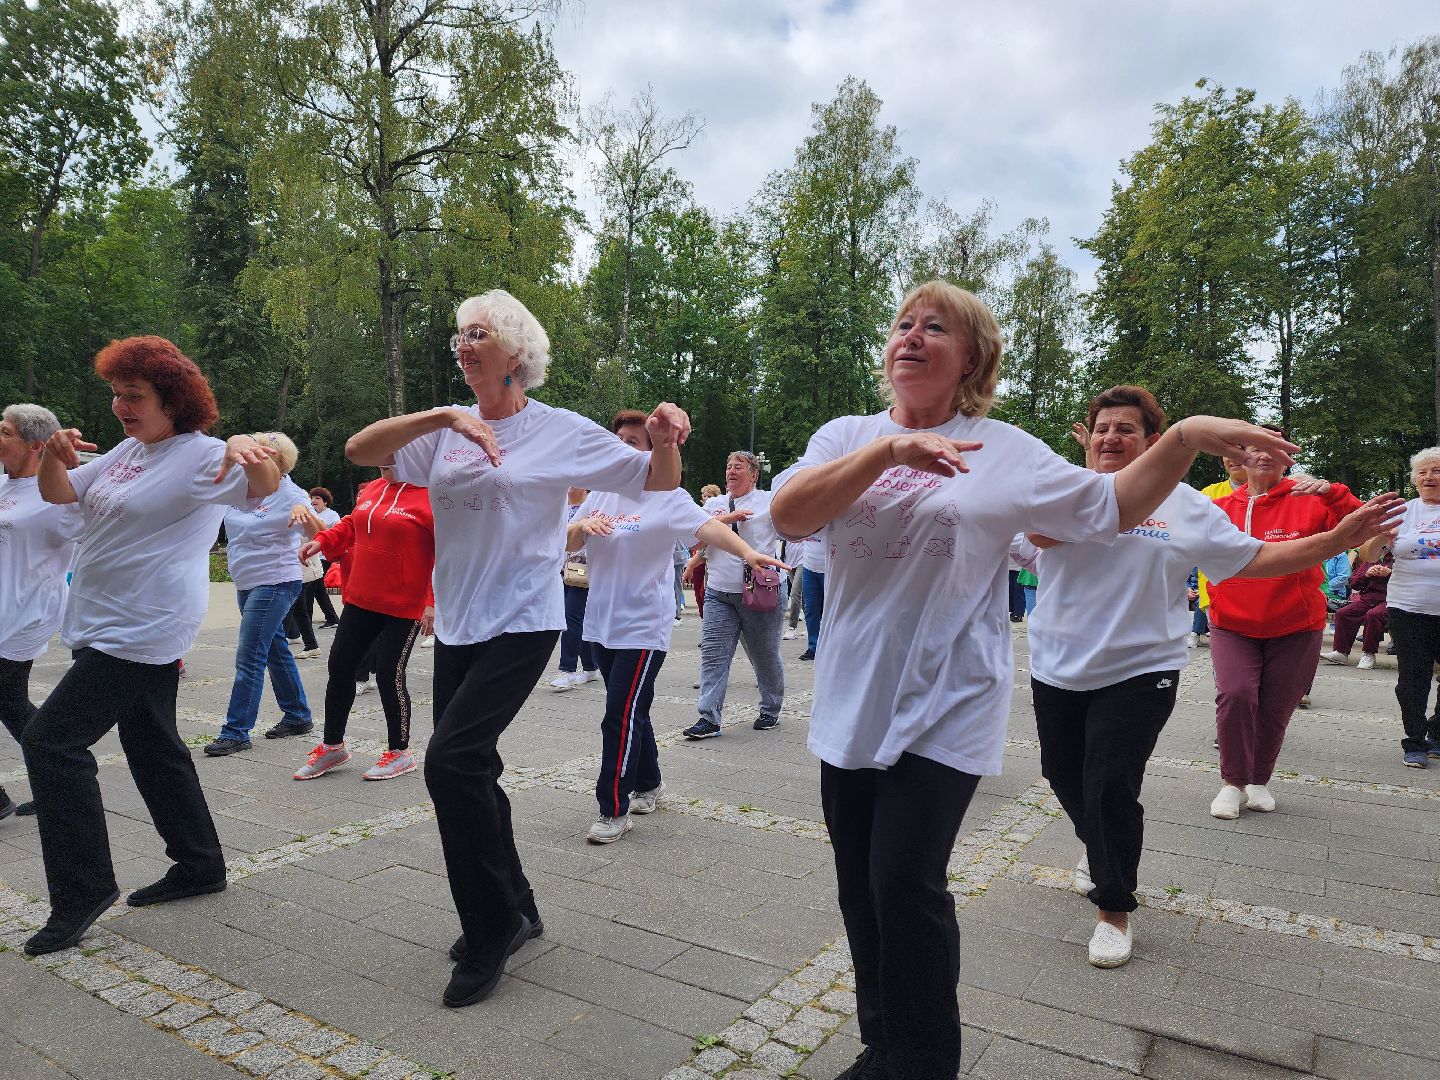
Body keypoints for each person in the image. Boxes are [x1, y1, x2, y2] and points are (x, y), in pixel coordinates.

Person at [767, 280, 1299, 1080]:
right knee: (858, 887)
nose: (910, 336)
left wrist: (1184, 433)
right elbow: (790, 515)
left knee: (905, 883)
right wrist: (887, 452)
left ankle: (919, 1062)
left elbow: (1114, 503)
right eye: (903, 324)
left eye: (934, 327)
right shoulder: (845, 433)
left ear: (972, 356)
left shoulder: (1006, 449)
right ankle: (881, 1040)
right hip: (852, 695)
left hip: (948, 699)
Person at [346, 288, 690, 1008]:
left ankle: (491, 925)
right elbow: (360, 450)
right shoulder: (443, 431)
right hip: (462, 620)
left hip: (527, 618)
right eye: (459, 336)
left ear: (515, 352)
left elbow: (655, 483)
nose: (465, 345)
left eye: (479, 334)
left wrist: (664, 441)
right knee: (475, 769)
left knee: (450, 763)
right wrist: (444, 415)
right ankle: (521, 907)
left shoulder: (558, 429)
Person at [1014, 386, 1399, 970]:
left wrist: (1335, 541)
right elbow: (1030, 540)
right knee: (1061, 773)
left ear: (1152, 442)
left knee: (1111, 784)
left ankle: (1114, 908)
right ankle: (1099, 848)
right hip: (1057, 664)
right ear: (1086, 437)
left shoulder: (1188, 505)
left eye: (1127, 429)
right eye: (1102, 428)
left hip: (1142, 669)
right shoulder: (1062, 492)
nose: (1112, 437)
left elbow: (1255, 560)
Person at [23, 336, 281, 956]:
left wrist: (254, 453)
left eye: (133, 396)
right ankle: (200, 864)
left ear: (174, 401)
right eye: (116, 393)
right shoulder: (127, 453)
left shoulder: (202, 456)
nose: (119, 405)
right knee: (153, 747)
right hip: (103, 621)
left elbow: (265, 486)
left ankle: (82, 889)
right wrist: (55, 454)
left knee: (51, 740)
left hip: (141, 628)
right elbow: (59, 493)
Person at [568, 411, 789, 844]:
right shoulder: (601, 495)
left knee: (619, 715)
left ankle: (612, 808)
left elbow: (708, 528)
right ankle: (649, 783)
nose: (624, 449)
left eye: (635, 442)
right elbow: (567, 541)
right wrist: (579, 526)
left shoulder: (667, 496)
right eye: (620, 441)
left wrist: (748, 553)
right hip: (601, 624)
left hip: (642, 628)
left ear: (652, 451)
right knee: (633, 710)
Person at [1205, 429, 1362, 818]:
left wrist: (1333, 492)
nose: (1266, 455)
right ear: (1239, 456)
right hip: (1232, 622)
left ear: (1289, 458)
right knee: (1237, 694)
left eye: (1278, 449)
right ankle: (1232, 782)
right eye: (1257, 447)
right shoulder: (1218, 505)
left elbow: (1362, 527)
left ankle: (1258, 780)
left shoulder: (1309, 502)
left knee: (1277, 706)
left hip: (1296, 623)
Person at [290, 465, 434, 780]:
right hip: (361, 597)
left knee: (388, 674)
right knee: (340, 666)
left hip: (405, 604)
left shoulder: (433, 493)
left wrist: (432, 602)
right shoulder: (373, 488)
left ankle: (400, 752)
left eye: (392, 454)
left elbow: (446, 551)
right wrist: (323, 541)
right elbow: (353, 524)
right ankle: (332, 747)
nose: (385, 461)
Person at [205, 432, 316, 756]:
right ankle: (297, 715)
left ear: (277, 462)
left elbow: (322, 534)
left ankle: (236, 731)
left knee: (250, 653)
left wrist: (305, 514)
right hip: (246, 582)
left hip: (276, 581)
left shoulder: (293, 494)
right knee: (274, 650)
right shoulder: (241, 488)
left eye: (260, 454)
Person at [0, 404, 85, 819]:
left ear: (37, 445)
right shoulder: (3, 485)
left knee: (9, 699)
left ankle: (59, 776)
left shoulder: (57, 494)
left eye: (5, 432)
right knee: (10, 702)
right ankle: (51, 778)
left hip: (27, 610)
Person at [682, 451, 786, 739]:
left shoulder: (768, 501)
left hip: (759, 592)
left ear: (753, 474)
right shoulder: (714, 504)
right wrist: (726, 519)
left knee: (764, 655)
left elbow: (791, 530)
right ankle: (709, 718)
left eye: (738, 467)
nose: (731, 471)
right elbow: (696, 537)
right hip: (719, 593)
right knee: (713, 657)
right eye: (728, 466)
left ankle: (771, 708)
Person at [1357, 447, 1440, 767]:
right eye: (1423, 472)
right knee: (1413, 678)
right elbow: (1367, 555)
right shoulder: (1403, 512)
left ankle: (1438, 731)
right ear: (1414, 479)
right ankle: (1415, 740)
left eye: (1436, 471)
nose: (1430, 477)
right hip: (1409, 609)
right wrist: (1380, 535)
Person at [1189, 457, 1248, 646]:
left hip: (1267, 595)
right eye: (1226, 450)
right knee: (1230, 669)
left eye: (1241, 449)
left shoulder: (1272, 493)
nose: (1233, 456)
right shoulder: (1208, 495)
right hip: (1217, 596)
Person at [550, 487, 601, 691]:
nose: (569, 488)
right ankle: (590, 667)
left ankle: (568, 669)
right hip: (560, 571)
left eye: (575, 483)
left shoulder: (594, 505)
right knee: (575, 618)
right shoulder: (560, 506)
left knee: (571, 618)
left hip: (583, 571)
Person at [1321, 554, 1389, 670]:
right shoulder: (1370, 558)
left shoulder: (1399, 559)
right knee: (1343, 613)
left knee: (1373, 615)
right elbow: (1353, 582)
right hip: (1366, 599)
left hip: (1389, 600)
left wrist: (1389, 573)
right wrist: (1366, 574)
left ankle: (1369, 653)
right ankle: (1341, 652)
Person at [302, 487, 342, 627]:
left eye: (317, 498)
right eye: (312, 498)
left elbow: (336, 532)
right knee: (319, 591)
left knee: (310, 589)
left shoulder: (332, 515)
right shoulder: (312, 513)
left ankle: (306, 620)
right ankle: (332, 619)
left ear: (325, 502)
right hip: (314, 557)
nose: (314, 500)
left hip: (324, 557)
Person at [685, 483, 723, 620]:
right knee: (698, 594)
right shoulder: (699, 511)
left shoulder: (718, 512)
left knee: (704, 593)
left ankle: (710, 622)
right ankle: (705, 622)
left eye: (710, 496)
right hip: (697, 558)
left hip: (707, 558)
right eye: (705, 496)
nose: (707, 498)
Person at [797, 529, 826, 661]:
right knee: (810, 608)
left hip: (829, 567)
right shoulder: (805, 516)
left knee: (829, 610)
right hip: (809, 567)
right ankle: (813, 647)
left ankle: (828, 646)